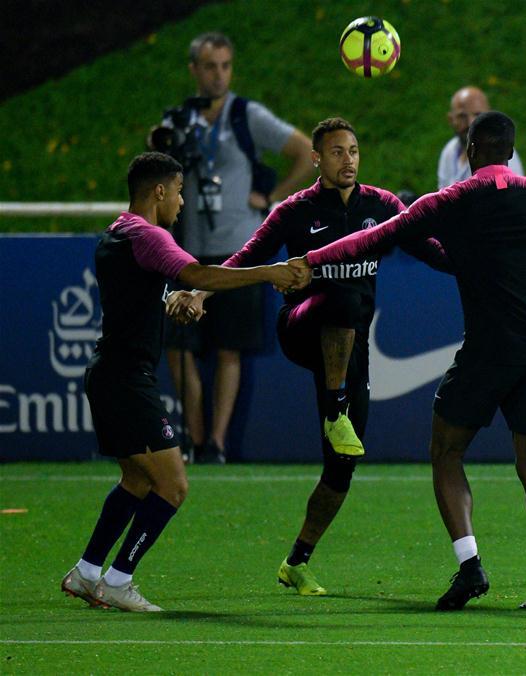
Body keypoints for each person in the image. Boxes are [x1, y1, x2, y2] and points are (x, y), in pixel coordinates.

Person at [295, 112, 526, 610]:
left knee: (446, 450)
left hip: (488, 346)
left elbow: (374, 238)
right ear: (511, 150)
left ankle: (470, 566)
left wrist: (311, 260)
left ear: (469, 151)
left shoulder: (452, 199)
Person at [169, 118, 452, 596]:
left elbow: (432, 251)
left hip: (349, 345)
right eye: (337, 152)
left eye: (355, 150)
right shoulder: (295, 210)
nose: (349, 160)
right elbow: (247, 256)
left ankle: (296, 561)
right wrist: (200, 293)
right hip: (301, 327)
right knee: (345, 298)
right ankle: (335, 407)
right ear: (317, 159)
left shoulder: (382, 206)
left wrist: (490, 266)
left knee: (342, 464)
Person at [60, 152, 307, 612]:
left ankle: (88, 571)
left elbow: (140, 290)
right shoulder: (149, 235)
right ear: (159, 191)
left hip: (111, 374)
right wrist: (269, 272)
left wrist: (171, 298)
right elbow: (199, 273)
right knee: (173, 486)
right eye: (178, 192)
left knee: (135, 480)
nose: (181, 202)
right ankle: (118, 579)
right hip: (128, 380)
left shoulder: (118, 232)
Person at [163, 32, 315, 464]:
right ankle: (192, 437)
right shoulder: (180, 121)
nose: (218, 75)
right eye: (210, 67)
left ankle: (217, 443)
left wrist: (271, 197)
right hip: (187, 251)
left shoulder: (247, 115)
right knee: (180, 349)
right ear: (194, 70)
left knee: (229, 348)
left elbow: (305, 152)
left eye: (225, 66)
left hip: (238, 251)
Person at [437, 86, 524, 189]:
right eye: (462, 116)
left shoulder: (500, 155)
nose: (470, 123)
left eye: (478, 115)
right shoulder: (450, 151)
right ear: (451, 120)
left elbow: (507, 199)